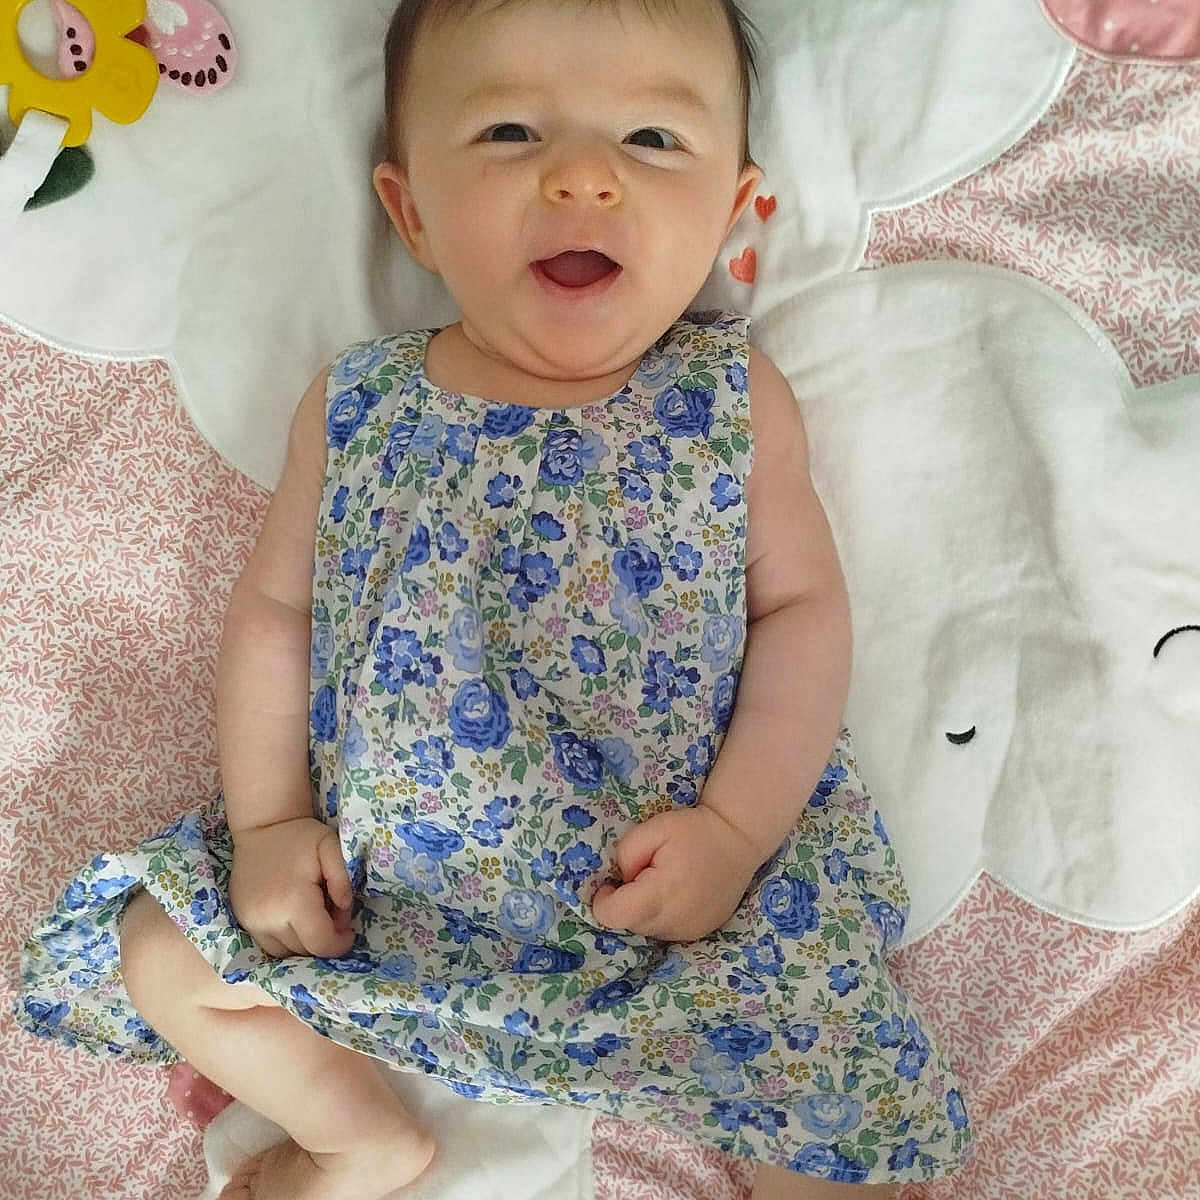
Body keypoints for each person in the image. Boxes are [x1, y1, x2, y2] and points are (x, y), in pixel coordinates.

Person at [16, 1, 973, 1197]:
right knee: (163, 952)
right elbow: (274, 618)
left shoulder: (731, 400)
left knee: (831, 1105)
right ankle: (358, 1135)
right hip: (382, 896)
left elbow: (803, 617)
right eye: (512, 132)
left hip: (671, 906)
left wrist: (734, 834)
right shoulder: (360, 403)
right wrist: (266, 828)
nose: (583, 178)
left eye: (653, 140)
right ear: (412, 210)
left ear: (734, 210)